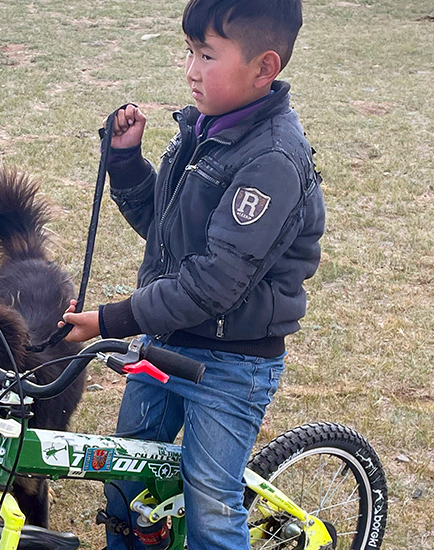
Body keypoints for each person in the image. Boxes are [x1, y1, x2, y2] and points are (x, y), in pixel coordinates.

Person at [60, 0, 325, 548]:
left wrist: (110, 320)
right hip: (165, 342)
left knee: (209, 499)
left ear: (264, 68)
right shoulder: (203, 128)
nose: (191, 69)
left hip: (233, 362)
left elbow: (213, 281)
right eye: (189, 51)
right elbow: (165, 232)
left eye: (207, 54)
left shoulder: (272, 160)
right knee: (127, 476)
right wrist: (128, 162)